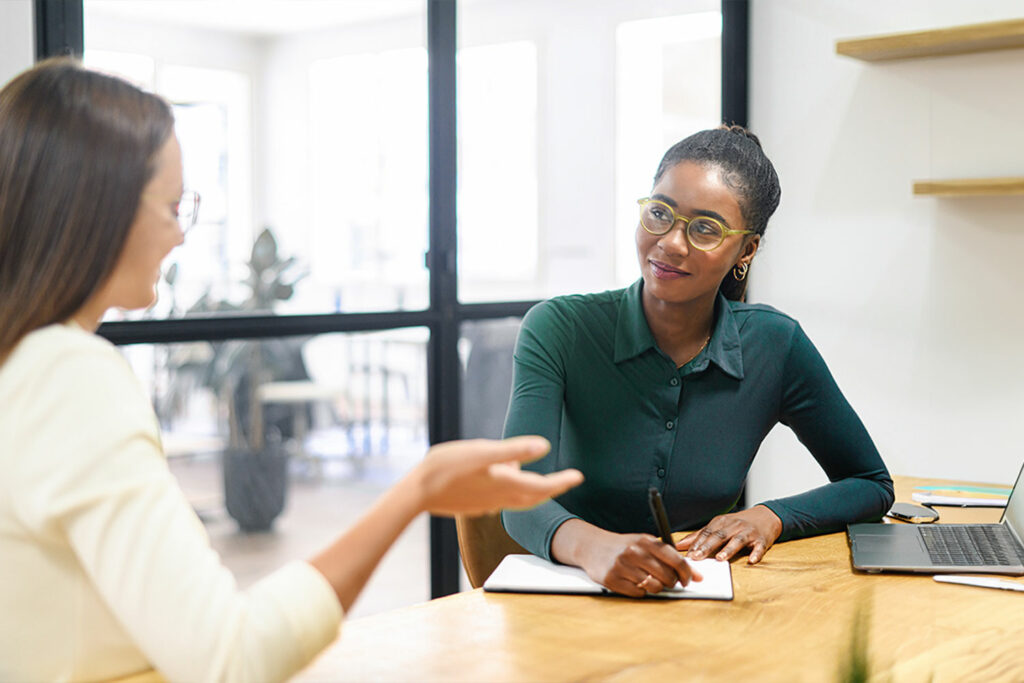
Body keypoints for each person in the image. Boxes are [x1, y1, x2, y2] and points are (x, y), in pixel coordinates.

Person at [0, 58, 583, 682]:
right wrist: (414, 493)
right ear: (96, 209)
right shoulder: (69, 375)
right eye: (173, 207)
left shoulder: (21, 362)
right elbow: (232, 658)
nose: (181, 236)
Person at [501, 125, 894, 598]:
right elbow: (521, 497)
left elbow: (871, 483)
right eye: (659, 213)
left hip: (705, 596)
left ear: (746, 250)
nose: (670, 243)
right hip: (574, 590)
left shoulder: (776, 344)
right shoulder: (559, 328)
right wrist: (596, 550)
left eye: (706, 228)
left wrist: (770, 517)